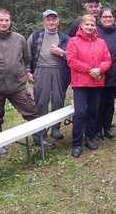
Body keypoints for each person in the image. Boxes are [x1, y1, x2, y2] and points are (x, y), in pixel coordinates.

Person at [0, 8, 48, 155]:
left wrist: (22, 72)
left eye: (7, 20)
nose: (4, 23)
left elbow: (27, 59)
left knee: (31, 111)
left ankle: (39, 139)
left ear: (10, 21)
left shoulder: (19, 39)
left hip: (17, 85)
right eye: (1, 20)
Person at [66, 14, 111, 158]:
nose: (90, 27)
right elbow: (71, 60)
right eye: (87, 24)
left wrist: (100, 69)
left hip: (97, 82)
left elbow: (107, 60)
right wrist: (89, 69)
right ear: (81, 26)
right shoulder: (73, 41)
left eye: (92, 25)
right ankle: (77, 143)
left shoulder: (101, 42)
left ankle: (90, 138)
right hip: (80, 83)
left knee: (93, 111)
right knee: (80, 113)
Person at [27, 9, 70, 142]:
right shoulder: (35, 36)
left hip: (59, 70)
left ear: (58, 21)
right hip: (41, 70)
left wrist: (61, 52)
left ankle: (55, 129)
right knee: (41, 101)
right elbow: (27, 55)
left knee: (58, 100)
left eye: (53, 19)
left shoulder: (65, 38)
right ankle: (42, 130)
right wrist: (28, 71)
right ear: (43, 21)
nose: (51, 22)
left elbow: (72, 56)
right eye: (48, 19)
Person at [96, 8, 116, 139]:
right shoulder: (95, 32)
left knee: (110, 103)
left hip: (114, 73)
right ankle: (98, 128)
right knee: (99, 103)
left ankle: (107, 126)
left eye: (110, 16)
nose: (107, 19)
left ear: (114, 18)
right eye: (104, 16)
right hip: (99, 74)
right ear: (100, 18)